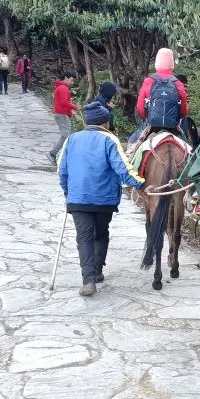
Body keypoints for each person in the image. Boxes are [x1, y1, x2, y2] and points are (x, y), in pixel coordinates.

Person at [57, 102, 145, 296]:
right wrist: (141, 184)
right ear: (105, 122)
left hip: (78, 199)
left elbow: (61, 169)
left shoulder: (71, 139)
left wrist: (67, 191)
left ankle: (88, 281)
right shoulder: (110, 140)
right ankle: (97, 272)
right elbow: (122, 167)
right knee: (101, 233)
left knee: (84, 238)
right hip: (104, 200)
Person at [130, 48, 188, 144]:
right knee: (187, 148)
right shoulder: (177, 83)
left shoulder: (149, 81)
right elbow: (183, 111)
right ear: (172, 64)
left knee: (131, 142)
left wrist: (148, 117)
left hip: (152, 125)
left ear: (157, 62)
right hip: (173, 125)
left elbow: (140, 107)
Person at [48, 71, 78, 165]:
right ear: (66, 78)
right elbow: (64, 102)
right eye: (71, 80)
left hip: (62, 114)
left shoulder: (61, 87)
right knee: (66, 135)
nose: (72, 83)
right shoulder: (63, 88)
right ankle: (53, 153)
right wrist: (75, 107)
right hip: (61, 114)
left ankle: (61, 155)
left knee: (66, 135)